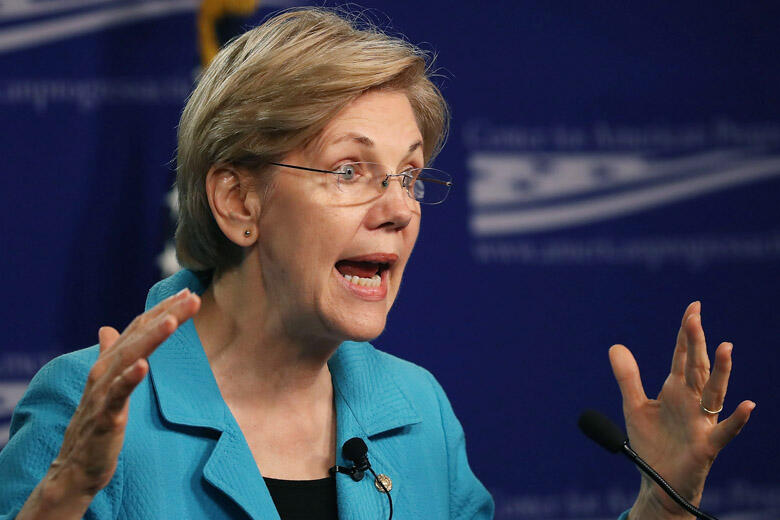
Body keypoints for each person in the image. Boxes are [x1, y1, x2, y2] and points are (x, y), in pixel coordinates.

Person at [0, 8, 753, 520]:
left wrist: (661, 501)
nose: (399, 207)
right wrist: (66, 492)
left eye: (412, 175)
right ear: (238, 201)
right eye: (351, 171)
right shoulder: (87, 405)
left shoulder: (415, 411)